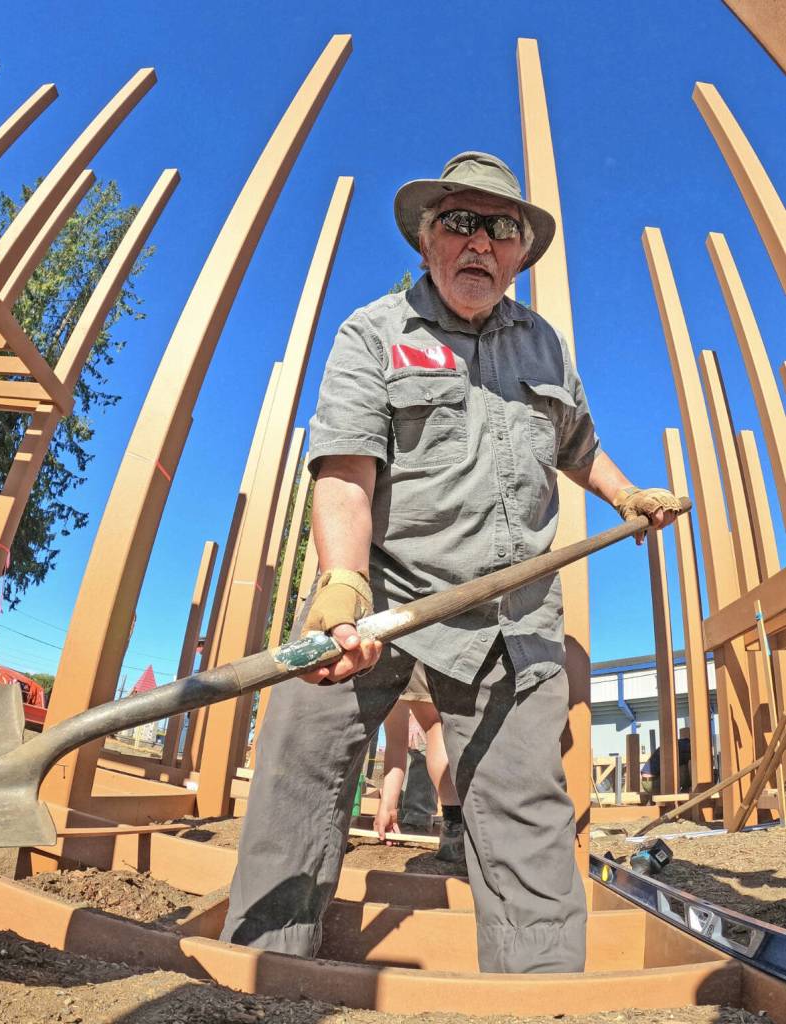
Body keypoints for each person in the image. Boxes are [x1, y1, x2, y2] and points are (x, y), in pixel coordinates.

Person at [221, 151, 681, 973]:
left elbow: (577, 446)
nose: (480, 242)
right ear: (427, 238)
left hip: (511, 613)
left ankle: (537, 999)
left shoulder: (544, 345)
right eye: (460, 222)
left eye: (500, 228)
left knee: (526, 810)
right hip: (380, 594)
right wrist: (340, 584)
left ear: (519, 253)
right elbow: (345, 469)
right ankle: (257, 975)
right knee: (299, 760)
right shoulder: (376, 331)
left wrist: (626, 495)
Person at [374, 662, 464, 861]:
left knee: (418, 731)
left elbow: (396, 741)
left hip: (389, 656)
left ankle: (453, 827)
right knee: (434, 725)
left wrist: (387, 807)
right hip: (423, 652)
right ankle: (455, 826)